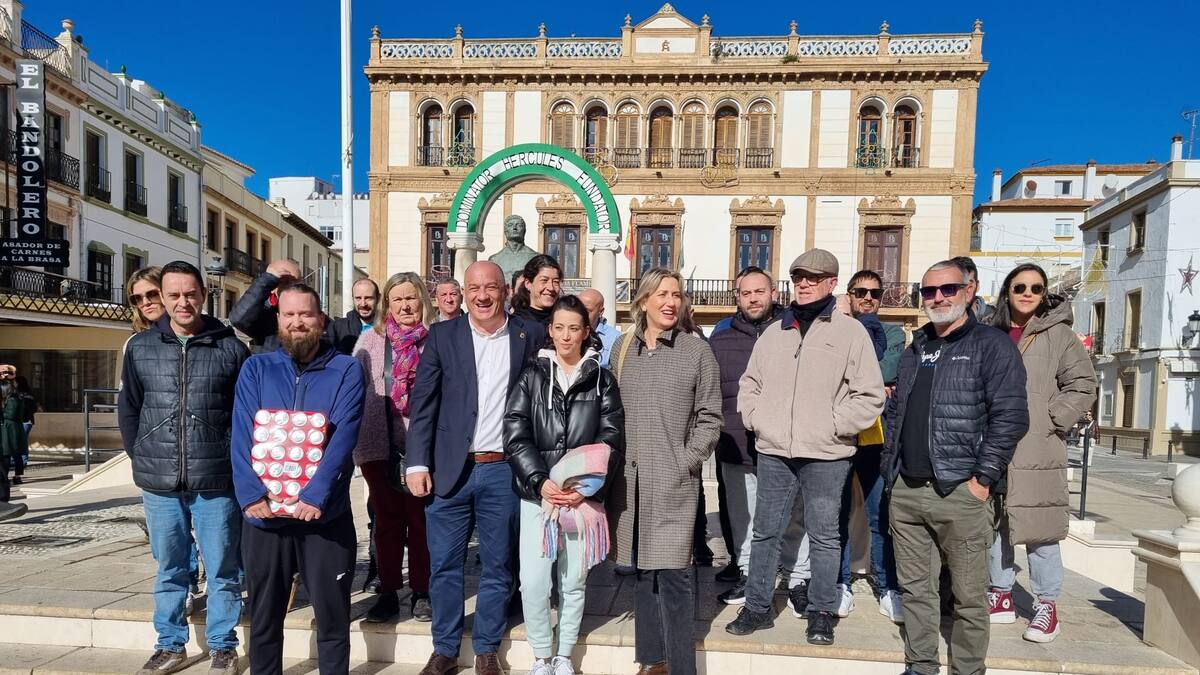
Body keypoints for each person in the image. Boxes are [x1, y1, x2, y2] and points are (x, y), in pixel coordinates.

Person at [725, 249, 885, 646]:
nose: (804, 283)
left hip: (827, 455)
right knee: (765, 532)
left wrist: (835, 427)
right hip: (774, 451)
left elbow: (869, 394)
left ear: (832, 282)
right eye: (799, 277)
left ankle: (821, 612)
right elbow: (750, 384)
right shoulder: (774, 332)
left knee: (824, 536)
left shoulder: (851, 333)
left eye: (814, 277)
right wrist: (757, 419)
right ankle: (757, 607)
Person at [883, 260, 1029, 675]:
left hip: (961, 491)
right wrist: (890, 468)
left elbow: (1011, 417)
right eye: (929, 291)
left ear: (968, 291)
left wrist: (983, 479)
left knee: (969, 596)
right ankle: (921, 664)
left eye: (948, 288)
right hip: (908, 490)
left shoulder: (991, 345)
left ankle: (967, 669)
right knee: (916, 591)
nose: (938, 298)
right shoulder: (914, 349)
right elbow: (896, 414)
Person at [404, 261, 545, 675]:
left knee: (499, 566)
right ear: (464, 293)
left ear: (506, 291)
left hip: (504, 470)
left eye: (490, 287)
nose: (482, 296)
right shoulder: (443, 336)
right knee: (445, 565)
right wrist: (416, 462)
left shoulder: (529, 335)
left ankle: (486, 648)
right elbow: (423, 403)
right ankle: (445, 649)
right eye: (474, 288)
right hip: (450, 470)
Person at [118, 261, 249, 675]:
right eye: (173, 295)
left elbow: (243, 414)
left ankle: (223, 646)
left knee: (223, 568)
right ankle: (170, 644)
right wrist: (140, 453)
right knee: (171, 567)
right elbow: (129, 408)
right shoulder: (140, 347)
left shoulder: (230, 348)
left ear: (203, 295)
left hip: (216, 478)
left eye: (190, 294)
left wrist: (236, 462)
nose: (182, 302)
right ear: (163, 297)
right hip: (159, 480)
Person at [230, 283, 365, 675]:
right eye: (289, 315)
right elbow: (241, 433)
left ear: (321, 319)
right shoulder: (256, 368)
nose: (297, 322)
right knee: (264, 617)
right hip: (265, 517)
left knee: (333, 618)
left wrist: (315, 495)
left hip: (323, 516)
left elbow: (344, 437)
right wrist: (250, 495)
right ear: (278, 320)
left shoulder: (346, 369)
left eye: (306, 314)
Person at [607, 268, 722, 675]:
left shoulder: (696, 352)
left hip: (674, 482)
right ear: (643, 301)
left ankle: (680, 667)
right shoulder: (622, 348)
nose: (671, 302)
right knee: (642, 573)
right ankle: (651, 662)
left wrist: (685, 461)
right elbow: (610, 413)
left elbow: (710, 418)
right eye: (662, 294)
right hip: (630, 484)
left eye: (676, 294)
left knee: (674, 577)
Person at [503, 294, 625, 675]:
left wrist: (584, 488)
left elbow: (612, 437)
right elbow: (515, 432)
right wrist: (538, 481)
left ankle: (564, 654)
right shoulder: (532, 375)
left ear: (587, 331)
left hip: (579, 500)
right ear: (550, 331)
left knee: (573, 580)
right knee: (533, 581)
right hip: (538, 497)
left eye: (574, 328)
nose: (567, 336)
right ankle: (541, 654)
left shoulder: (602, 379)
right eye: (560, 328)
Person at [983, 263, 1096, 643]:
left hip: (1036, 445)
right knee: (996, 523)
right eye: (1020, 287)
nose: (1028, 294)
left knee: (1040, 527)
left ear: (1044, 293)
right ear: (1008, 291)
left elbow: (1083, 384)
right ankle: (1000, 594)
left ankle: (1047, 604)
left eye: (1036, 288)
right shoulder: (990, 332)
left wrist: (1052, 419)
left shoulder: (1059, 335)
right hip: (993, 442)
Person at [708, 268, 812, 602]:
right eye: (746, 293)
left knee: (795, 516)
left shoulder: (796, 332)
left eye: (759, 291)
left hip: (788, 444)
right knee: (745, 518)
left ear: (774, 293)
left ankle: (797, 578)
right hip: (737, 445)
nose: (753, 298)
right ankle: (749, 573)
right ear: (737, 297)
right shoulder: (720, 341)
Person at [352, 272, 434, 623]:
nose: (404, 305)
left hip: (423, 449)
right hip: (378, 446)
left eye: (410, 297)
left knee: (421, 522)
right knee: (386, 522)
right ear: (387, 303)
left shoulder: (436, 339)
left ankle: (422, 590)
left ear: (422, 300)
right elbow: (355, 392)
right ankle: (387, 590)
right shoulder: (370, 341)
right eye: (397, 299)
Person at [836, 270, 907, 622]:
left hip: (876, 437)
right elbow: (832, 372)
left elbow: (886, 370)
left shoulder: (893, 333)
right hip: (838, 436)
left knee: (880, 515)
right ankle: (841, 583)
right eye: (860, 292)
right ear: (848, 295)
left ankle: (888, 586)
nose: (867, 298)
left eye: (874, 293)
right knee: (837, 514)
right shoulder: (834, 327)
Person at [0, 368, 28, 521]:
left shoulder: (13, 400)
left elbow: (10, 416)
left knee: (3, 471)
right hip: (6, 441)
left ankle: (3, 502)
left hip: (5, 441)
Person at [329, 278, 381, 354]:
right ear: (353, 298)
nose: (363, 304)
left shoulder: (390, 328)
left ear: (378, 298)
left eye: (368, 298)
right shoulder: (337, 328)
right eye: (358, 298)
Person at [510, 255, 563, 326]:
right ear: (528, 283)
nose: (551, 288)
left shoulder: (565, 321)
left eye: (555, 282)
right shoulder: (515, 324)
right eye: (544, 280)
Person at [578, 288, 621, 369]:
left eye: (587, 311)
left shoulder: (615, 339)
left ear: (600, 312)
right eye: (577, 309)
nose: (580, 314)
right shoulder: (565, 333)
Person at [951, 255, 993, 321]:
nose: (964, 290)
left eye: (969, 284)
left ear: (977, 286)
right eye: (955, 285)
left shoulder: (996, 320)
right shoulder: (940, 321)